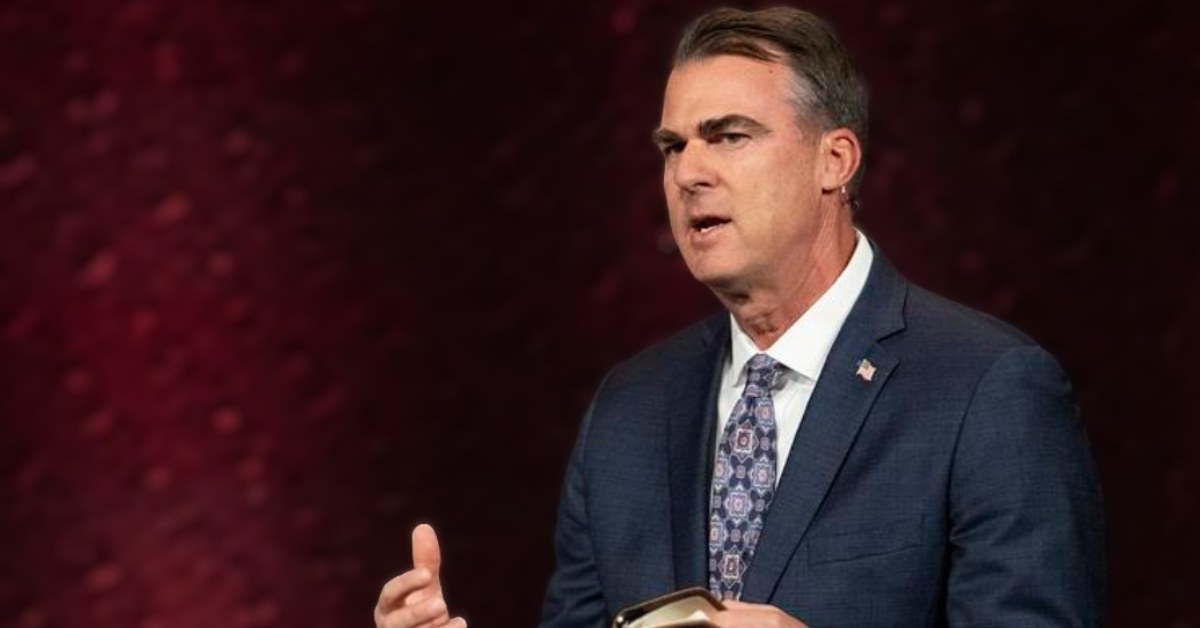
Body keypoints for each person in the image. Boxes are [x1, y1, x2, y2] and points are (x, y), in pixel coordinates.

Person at [373, 7, 1105, 628]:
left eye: (728, 136)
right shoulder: (629, 410)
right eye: (673, 146)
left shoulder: (987, 390)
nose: (689, 171)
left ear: (835, 160)